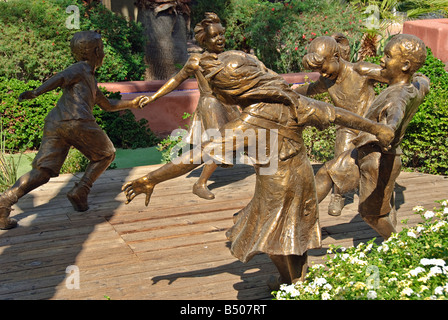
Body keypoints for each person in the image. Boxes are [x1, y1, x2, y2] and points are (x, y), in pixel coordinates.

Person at [121, 49, 394, 289]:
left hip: (283, 184)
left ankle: (296, 285)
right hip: (291, 179)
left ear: (233, 92)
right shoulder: (289, 101)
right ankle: (290, 281)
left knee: (283, 236)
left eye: (218, 91)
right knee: (278, 236)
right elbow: (334, 113)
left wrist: (151, 178)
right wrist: (376, 128)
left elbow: (195, 156)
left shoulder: (248, 125)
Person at [0, 31, 148, 230]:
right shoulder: (79, 69)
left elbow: (107, 104)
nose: (103, 53)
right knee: (106, 154)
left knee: (42, 172)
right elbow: (60, 78)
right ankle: (81, 191)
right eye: (102, 49)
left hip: (56, 122)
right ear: (96, 51)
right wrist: (36, 92)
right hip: (77, 121)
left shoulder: (88, 77)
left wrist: (132, 103)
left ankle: (4, 202)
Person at [314, 34, 429, 239]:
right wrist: (421, 79)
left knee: (372, 216)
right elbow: (423, 84)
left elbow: (395, 114)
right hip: (362, 153)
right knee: (326, 173)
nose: (381, 60)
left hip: (378, 160)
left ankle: (398, 246)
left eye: (387, 56)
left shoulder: (397, 96)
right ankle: (300, 218)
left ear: (405, 65)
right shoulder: (413, 88)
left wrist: (389, 129)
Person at [143, 12, 240, 200]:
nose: (220, 39)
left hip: (228, 105)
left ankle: (269, 174)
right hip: (211, 105)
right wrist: (154, 97)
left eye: (221, 34)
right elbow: (176, 80)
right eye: (214, 36)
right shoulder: (197, 61)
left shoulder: (229, 58)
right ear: (204, 40)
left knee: (239, 140)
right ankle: (200, 183)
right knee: (217, 144)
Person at [295, 35, 388, 216]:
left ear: (336, 58)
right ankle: (339, 195)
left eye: (324, 68)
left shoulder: (360, 70)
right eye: (318, 71)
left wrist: (414, 78)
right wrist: (289, 93)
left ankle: (377, 195)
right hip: (346, 127)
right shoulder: (327, 81)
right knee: (340, 156)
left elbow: (389, 76)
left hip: (370, 127)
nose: (322, 74)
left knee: (373, 164)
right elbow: (310, 90)